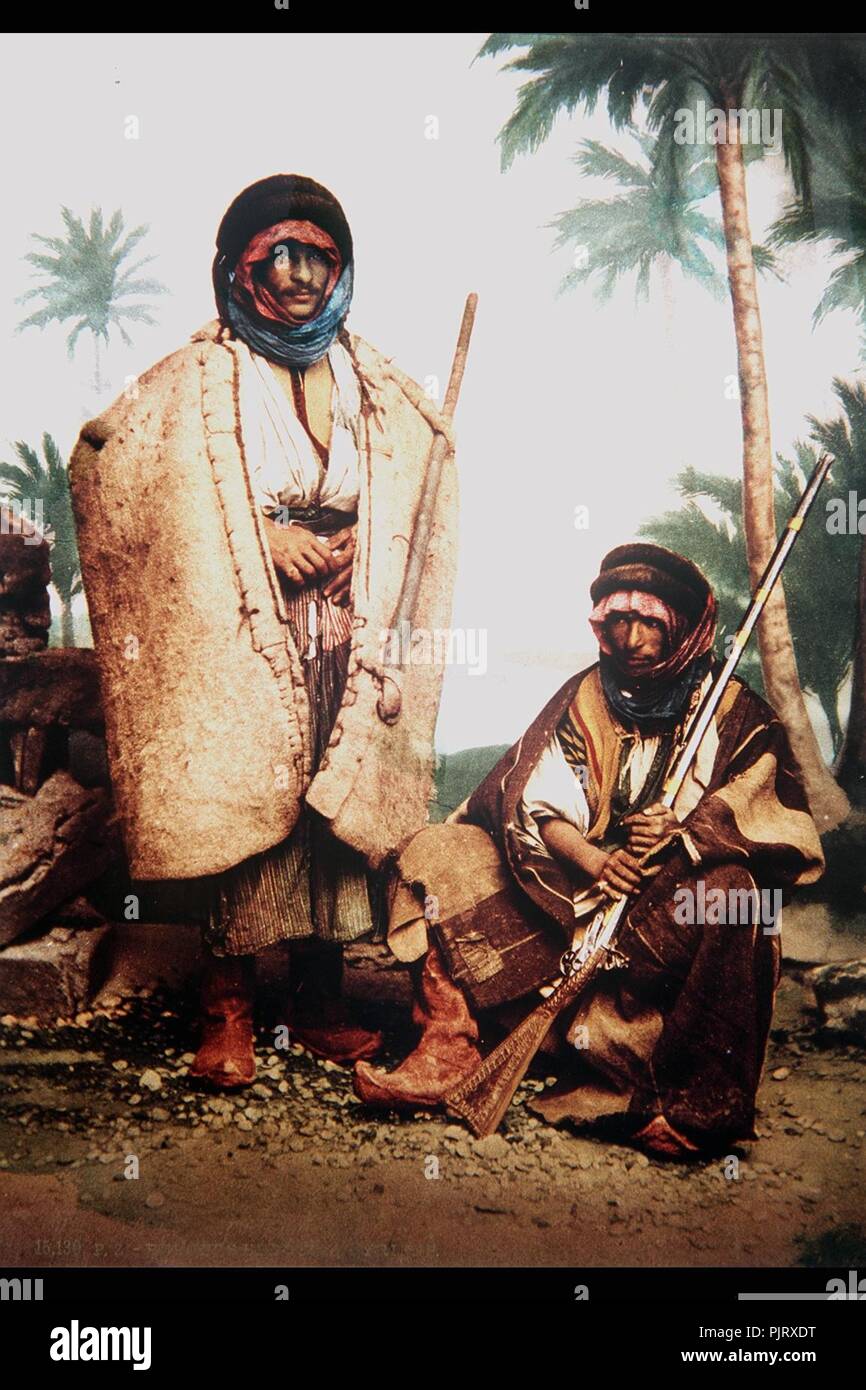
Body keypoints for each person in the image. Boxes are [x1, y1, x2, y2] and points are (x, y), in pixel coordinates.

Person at [69, 174, 459, 1091]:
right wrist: (255, 537)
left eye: (315, 257)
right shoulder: (203, 375)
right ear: (237, 271)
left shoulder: (375, 382)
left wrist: (374, 540)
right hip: (244, 624)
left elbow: (415, 488)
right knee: (250, 802)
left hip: (349, 632)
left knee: (339, 803)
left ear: (340, 268)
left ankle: (318, 1004)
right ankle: (230, 1008)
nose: (294, 276)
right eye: (274, 257)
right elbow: (110, 462)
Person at [353, 543, 825, 1158]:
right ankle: (448, 1048)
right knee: (441, 849)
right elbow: (538, 805)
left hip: (659, 927)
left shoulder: (737, 714)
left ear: (683, 626)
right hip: (568, 902)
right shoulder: (584, 698)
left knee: (734, 893)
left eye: (649, 622)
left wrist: (686, 834)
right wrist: (597, 861)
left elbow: (774, 818)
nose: (630, 639)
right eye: (616, 622)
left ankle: (698, 1109)